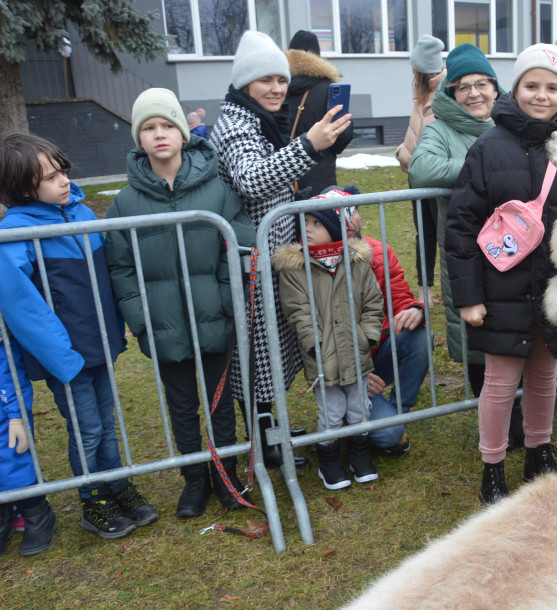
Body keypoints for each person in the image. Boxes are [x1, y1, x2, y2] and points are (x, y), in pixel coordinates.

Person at [105, 88, 257, 518]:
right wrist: (143, 320)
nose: (159, 135)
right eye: (149, 128)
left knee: (220, 401)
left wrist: (229, 304)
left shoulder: (218, 190)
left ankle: (225, 478)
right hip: (164, 323)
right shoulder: (125, 204)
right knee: (181, 403)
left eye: (167, 125)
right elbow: (121, 268)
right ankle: (194, 482)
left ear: (183, 132)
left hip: (215, 318)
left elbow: (239, 247)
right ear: (139, 139)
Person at [0, 133, 157, 541]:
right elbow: (22, 307)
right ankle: (94, 500)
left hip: (96, 343)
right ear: (22, 188)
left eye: (61, 170)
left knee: (106, 422)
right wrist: (61, 357)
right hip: (65, 356)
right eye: (50, 177)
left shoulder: (82, 212)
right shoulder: (14, 234)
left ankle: (117, 484)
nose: (63, 180)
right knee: (85, 428)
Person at [210, 30, 352, 469]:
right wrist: (310, 145)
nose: (276, 88)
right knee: (253, 355)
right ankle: (262, 440)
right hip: (248, 263)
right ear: (245, 83)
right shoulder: (235, 123)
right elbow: (252, 179)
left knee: (272, 348)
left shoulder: (261, 119)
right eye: (265, 81)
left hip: (272, 259)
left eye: (280, 79)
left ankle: (271, 428)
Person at [445, 43, 557, 504]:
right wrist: (468, 296)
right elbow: (460, 225)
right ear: (515, 88)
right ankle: (493, 466)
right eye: (532, 85)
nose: (542, 96)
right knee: (500, 382)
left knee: (544, 375)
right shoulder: (488, 146)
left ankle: (539, 451)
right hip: (501, 286)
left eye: (552, 87)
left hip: (553, 285)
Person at [274, 188, 385, 488]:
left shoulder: (357, 262)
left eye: (316, 223)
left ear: (335, 228)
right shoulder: (295, 269)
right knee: (332, 412)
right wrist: (315, 344)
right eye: (305, 222)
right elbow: (297, 311)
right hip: (322, 357)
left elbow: (373, 302)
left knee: (360, 407)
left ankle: (359, 456)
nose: (307, 228)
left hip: (356, 351)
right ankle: (329, 461)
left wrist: (368, 336)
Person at [409, 43, 498, 401]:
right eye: (463, 86)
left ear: (495, 87)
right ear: (451, 92)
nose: (474, 93)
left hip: (515, 246)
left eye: (482, 84)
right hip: (468, 248)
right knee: (476, 330)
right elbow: (420, 169)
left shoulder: (507, 121)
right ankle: (490, 413)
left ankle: (522, 412)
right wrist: (484, 169)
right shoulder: (440, 129)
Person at [338, 185, 429, 457]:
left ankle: (398, 413)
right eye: (340, 214)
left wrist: (417, 310)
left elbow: (401, 297)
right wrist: (357, 375)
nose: (350, 220)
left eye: (352, 211)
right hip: (339, 370)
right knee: (388, 436)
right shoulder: (314, 266)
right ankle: (353, 413)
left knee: (421, 336)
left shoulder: (379, 251)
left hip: (377, 352)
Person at [395, 35, 447, 297]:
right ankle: (424, 290)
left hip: (434, 180)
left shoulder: (444, 94)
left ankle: (451, 289)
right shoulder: (422, 92)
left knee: (442, 236)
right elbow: (413, 133)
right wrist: (401, 152)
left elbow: (432, 143)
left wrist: (408, 157)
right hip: (416, 178)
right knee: (424, 235)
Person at [0, 336, 58, 556]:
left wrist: (16, 415)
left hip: (4, 416)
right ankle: (4, 515)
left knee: (13, 461)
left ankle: (37, 514)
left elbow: (8, 374)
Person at [284, 30, 354, 194]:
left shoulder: (276, 88)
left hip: (283, 178)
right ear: (317, 57)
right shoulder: (328, 89)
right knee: (317, 219)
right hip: (320, 180)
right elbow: (342, 138)